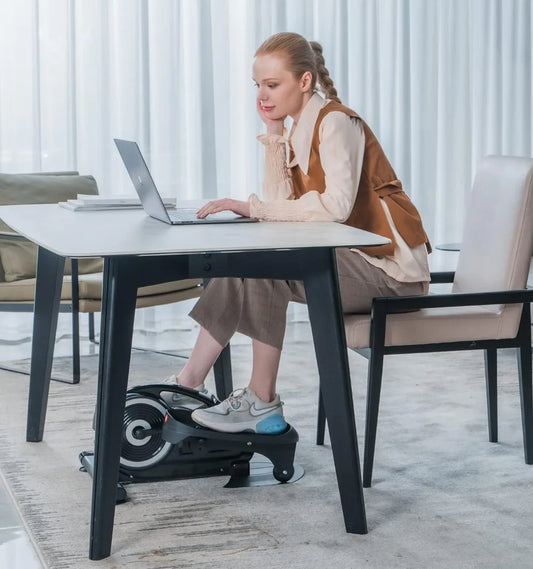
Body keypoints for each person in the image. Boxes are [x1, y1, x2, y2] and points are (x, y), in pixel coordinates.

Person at [167, 31, 431, 435]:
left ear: (304, 81)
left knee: (266, 266)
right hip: (356, 264)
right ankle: (192, 382)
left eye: (273, 85)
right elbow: (281, 211)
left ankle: (257, 398)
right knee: (249, 262)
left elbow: (335, 207)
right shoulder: (297, 129)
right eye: (258, 86)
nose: (263, 96)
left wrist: (251, 207)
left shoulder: (337, 122)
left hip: (393, 276)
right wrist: (274, 136)